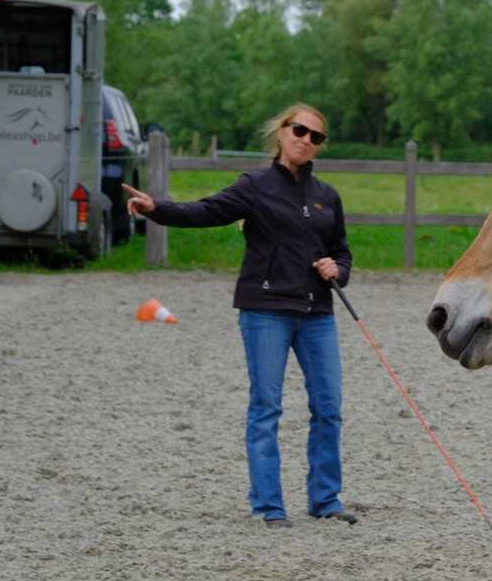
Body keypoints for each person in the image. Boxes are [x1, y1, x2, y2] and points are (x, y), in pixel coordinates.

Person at [123, 104, 357, 529]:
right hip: (265, 311)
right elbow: (204, 212)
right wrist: (156, 208)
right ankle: (269, 506)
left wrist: (337, 269)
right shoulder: (255, 186)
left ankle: (326, 499)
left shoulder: (328, 196)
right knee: (266, 409)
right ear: (281, 133)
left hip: (317, 313)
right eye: (299, 130)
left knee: (329, 408)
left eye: (316, 136)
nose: (306, 140)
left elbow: (342, 252)